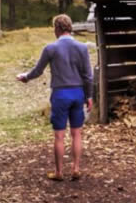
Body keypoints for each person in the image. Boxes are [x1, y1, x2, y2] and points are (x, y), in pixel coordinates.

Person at [17, 15, 93, 181]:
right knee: (76, 134)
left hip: (60, 94)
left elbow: (38, 71)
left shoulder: (50, 48)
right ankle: (76, 168)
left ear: (57, 29)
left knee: (59, 136)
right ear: (70, 28)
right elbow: (88, 76)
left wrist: (25, 77)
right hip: (78, 93)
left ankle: (59, 172)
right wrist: (89, 96)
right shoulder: (82, 47)